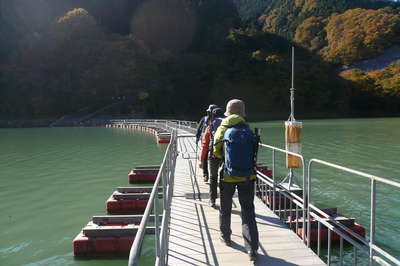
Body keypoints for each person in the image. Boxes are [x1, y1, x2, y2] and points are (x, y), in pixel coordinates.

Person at [213, 99, 259, 261]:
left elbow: (216, 152)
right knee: (248, 212)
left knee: (225, 209)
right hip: (248, 176)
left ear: (228, 112)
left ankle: (226, 237)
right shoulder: (247, 129)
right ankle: (252, 249)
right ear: (242, 113)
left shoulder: (222, 129)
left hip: (227, 176)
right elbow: (254, 151)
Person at [207, 107, 224, 208]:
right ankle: (224, 199)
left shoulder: (212, 122)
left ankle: (212, 200)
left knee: (213, 177)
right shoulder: (227, 123)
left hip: (213, 152)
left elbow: (207, 137)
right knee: (224, 177)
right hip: (225, 152)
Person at [196, 104, 217, 182]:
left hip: (208, 141)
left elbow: (198, 129)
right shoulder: (205, 119)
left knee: (205, 157)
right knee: (207, 157)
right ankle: (206, 174)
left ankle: (207, 175)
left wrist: (197, 138)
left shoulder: (216, 121)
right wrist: (197, 137)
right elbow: (199, 129)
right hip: (209, 141)